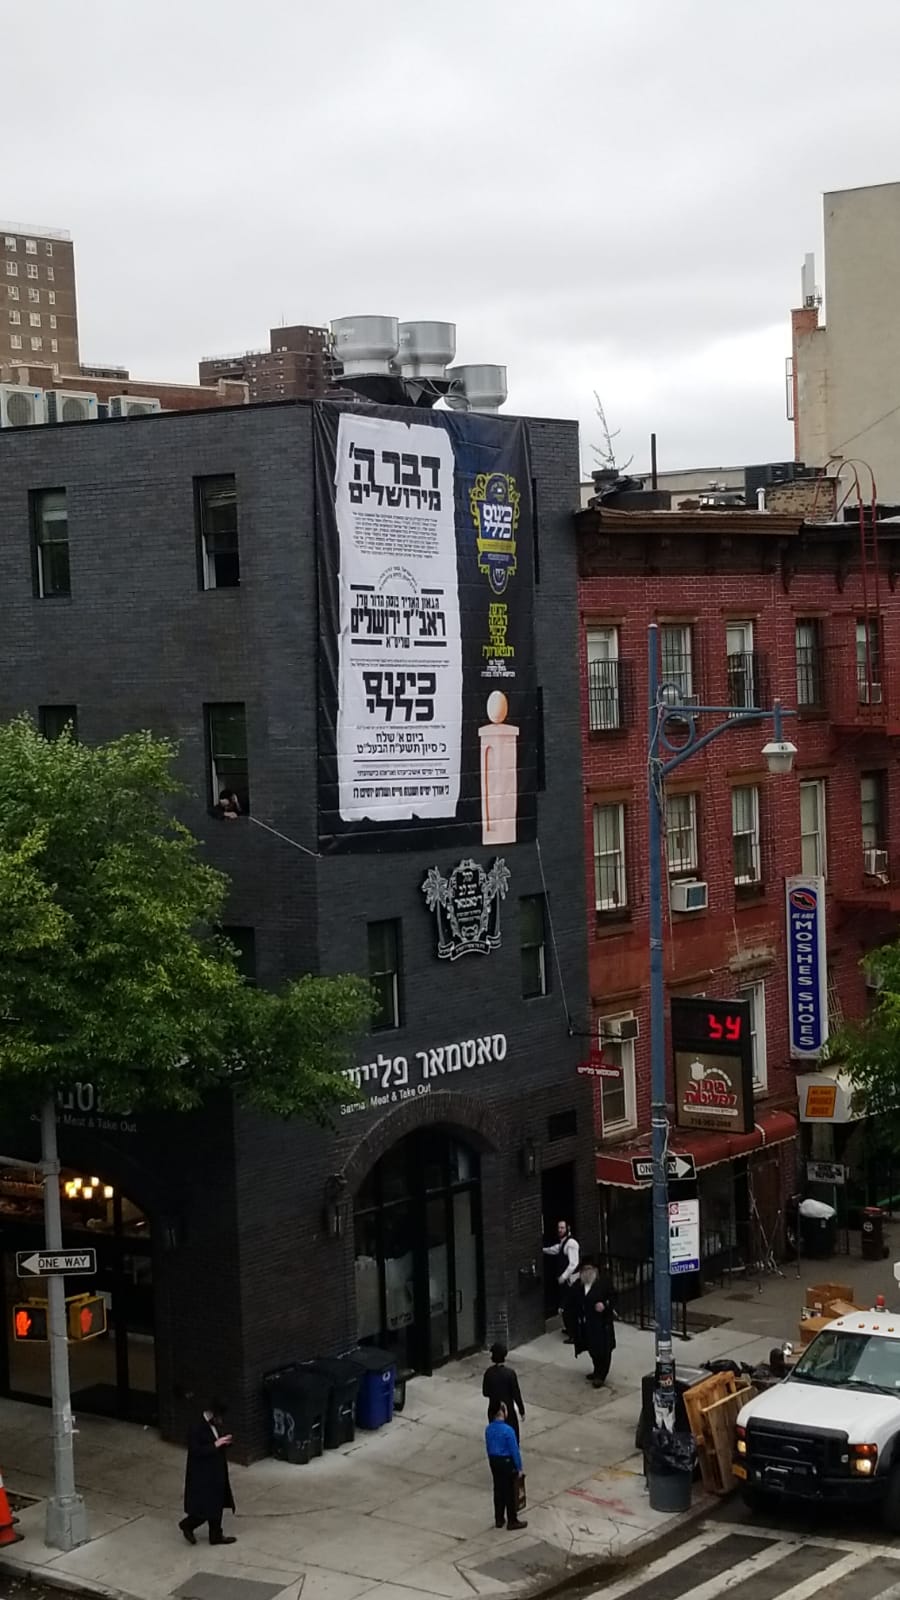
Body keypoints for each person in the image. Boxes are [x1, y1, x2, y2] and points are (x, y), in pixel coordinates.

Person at [179, 1404, 236, 1545]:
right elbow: (195, 1451)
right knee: (205, 1508)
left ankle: (216, 1535)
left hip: (216, 1471)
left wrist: (225, 1442)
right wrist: (216, 1445)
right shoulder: (196, 1427)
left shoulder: (215, 1424)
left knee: (217, 1503)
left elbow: (217, 1440)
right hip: (202, 1474)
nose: (221, 1420)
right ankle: (187, 1524)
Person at [484, 1401, 528, 1531]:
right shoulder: (508, 1431)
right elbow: (514, 1451)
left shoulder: (489, 1429)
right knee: (510, 1491)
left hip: (494, 1461)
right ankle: (512, 1520)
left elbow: (488, 1446)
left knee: (498, 1489)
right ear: (502, 1412)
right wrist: (519, 1468)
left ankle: (499, 1518)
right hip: (506, 1461)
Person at [573, 1259, 616, 1388]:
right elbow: (573, 1298)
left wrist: (604, 1306)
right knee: (592, 1349)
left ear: (595, 1270)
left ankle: (601, 1375)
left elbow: (613, 1298)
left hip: (601, 1324)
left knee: (603, 1350)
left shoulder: (604, 1283)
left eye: (589, 1269)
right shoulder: (579, 1285)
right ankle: (597, 1370)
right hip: (587, 1324)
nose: (586, 1272)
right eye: (584, 1270)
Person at [542, 1219, 580, 1335]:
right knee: (567, 1306)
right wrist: (542, 1250)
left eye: (562, 1228)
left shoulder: (571, 1243)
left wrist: (563, 1277)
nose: (560, 1230)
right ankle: (569, 1329)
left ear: (567, 1229)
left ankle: (573, 1333)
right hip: (567, 1281)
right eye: (559, 1228)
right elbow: (555, 1249)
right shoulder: (563, 1243)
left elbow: (574, 1263)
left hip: (571, 1281)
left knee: (570, 1306)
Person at [482, 1342, 525, 1441]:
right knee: (511, 1437)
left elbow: (485, 1392)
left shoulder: (489, 1373)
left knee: (497, 1437)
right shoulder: (510, 1374)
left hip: (493, 1409)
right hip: (508, 1410)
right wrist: (521, 1411)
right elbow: (516, 1394)